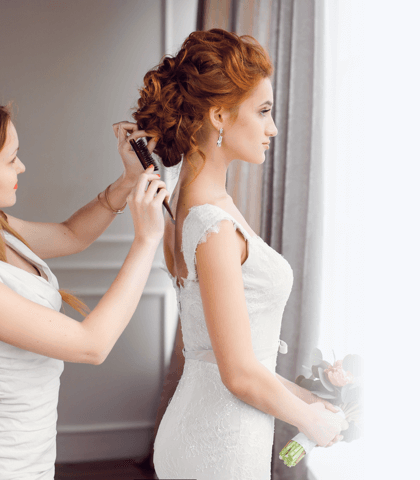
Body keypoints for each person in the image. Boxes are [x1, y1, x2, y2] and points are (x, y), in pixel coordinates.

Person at [0, 96, 169, 480]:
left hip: (28, 467)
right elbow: (91, 345)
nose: (22, 166)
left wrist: (128, 181)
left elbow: (70, 235)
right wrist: (146, 241)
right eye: (10, 158)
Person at [132, 29, 348, 479]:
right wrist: (312, 423)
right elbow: (239, 373)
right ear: (218, 116)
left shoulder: (188, 206)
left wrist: (311, 401)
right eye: (263, 111)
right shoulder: (212, 226)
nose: (272, 127)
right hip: (219, 444)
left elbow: (230, 359)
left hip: (210, 430)